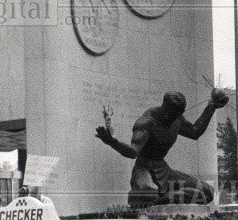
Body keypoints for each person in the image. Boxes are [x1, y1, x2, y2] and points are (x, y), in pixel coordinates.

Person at [95, 89, 229, 207]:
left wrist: (211, 107)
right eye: (172, 114)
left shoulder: (176, 118)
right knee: (148, 191)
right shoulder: (147, 122)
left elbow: (194, 132)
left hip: (164, 170)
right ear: (164, 108)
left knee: (208, 192)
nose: (174, 118)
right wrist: (112, 141)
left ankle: (158, 199)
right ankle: (151, 195)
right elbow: (133, 152)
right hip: (144, 168)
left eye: (178, 114)